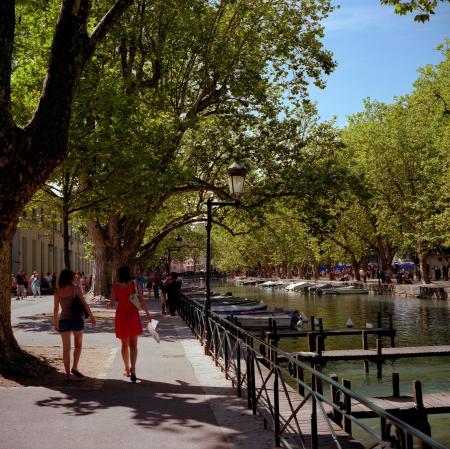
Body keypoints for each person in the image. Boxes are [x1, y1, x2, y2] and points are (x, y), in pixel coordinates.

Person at [108, 265, 152, 383]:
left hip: (121, 316)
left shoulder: (115, 286)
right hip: (133, 315)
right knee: (133, 345)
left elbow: (111, 304)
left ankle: (126, 369)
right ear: (129, 273)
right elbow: (141, 299)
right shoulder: (135, 284)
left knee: (124, 345)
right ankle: (133, 369)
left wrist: (109, 304)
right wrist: (147, 313)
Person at [53, 269, 96, 382]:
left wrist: (55, 322)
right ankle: (75, 367)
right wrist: (91, 316)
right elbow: (84, 303)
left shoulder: (57, 291)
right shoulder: (75, 289)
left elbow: (56, 308)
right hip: (77, 319)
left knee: (66, 349)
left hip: (64, 320)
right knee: (78, 345)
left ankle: (67, 374)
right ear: (70, 278)